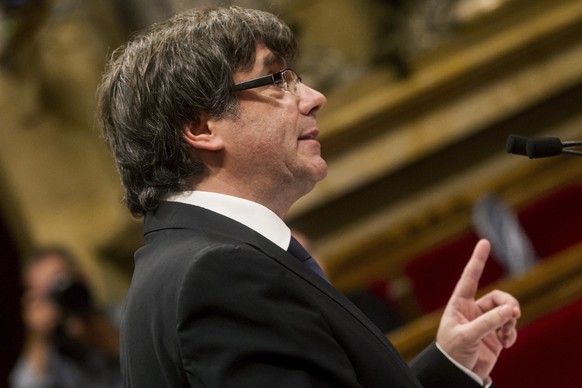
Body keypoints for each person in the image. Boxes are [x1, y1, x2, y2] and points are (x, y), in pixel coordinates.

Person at [96, 6, 520, 387]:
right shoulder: (219, 274)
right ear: (202, 128)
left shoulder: (183, 262)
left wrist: (448, 367)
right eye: (279, 81)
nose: (315, 98)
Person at [10, 246, 122, 388]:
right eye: (45, 292)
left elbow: (152, 361)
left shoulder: (125, 314)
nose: (58, 295)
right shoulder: (53, 353)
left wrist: (108, 339)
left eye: (60, 282)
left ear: (82, 277)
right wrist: (37, 338)